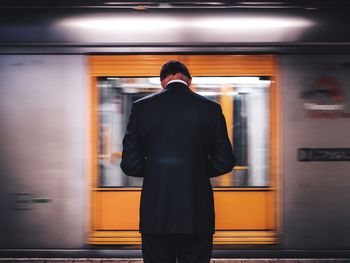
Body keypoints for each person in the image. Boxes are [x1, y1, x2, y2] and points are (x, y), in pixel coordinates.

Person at [120, 61, 235, 263]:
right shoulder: (211, 109)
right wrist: (196, 169)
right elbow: (225, 161)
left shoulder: (141, 108)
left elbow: (130, 164)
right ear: (189, 80)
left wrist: (156, 170)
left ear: (162, 81)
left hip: (156, 213)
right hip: (197, 213)